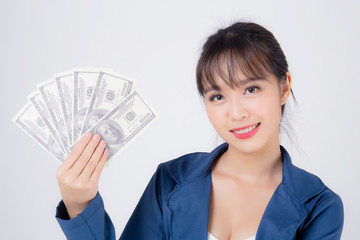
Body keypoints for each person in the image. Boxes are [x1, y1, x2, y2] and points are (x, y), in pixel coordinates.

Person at [55, 22, 344, 240]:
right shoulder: (170, 181)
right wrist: (79, 204)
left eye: (251, 89)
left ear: (284, 87)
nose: (236, 112)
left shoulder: (319, 206)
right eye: (217, 96)